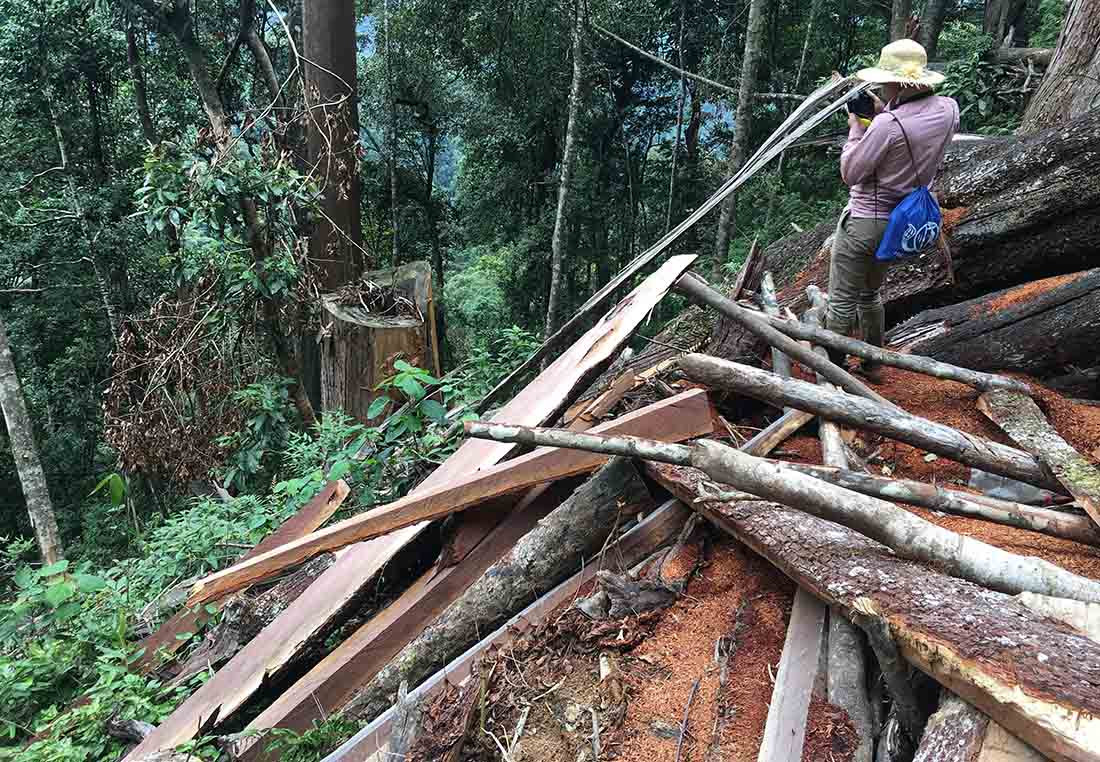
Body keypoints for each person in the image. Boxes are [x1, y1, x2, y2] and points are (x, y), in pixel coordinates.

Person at [828, 39, 959, 382]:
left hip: (866, 221)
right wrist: (887, 114)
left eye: (886, 80)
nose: (881, 86)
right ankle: (872, 364)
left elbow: (851, 173)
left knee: (841, 301)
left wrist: (857, 130)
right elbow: (913, 136)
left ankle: (832, 371)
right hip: (900, 222)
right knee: (871, 294)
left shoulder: (888, 126)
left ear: (899, 83)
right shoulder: (948, 109)